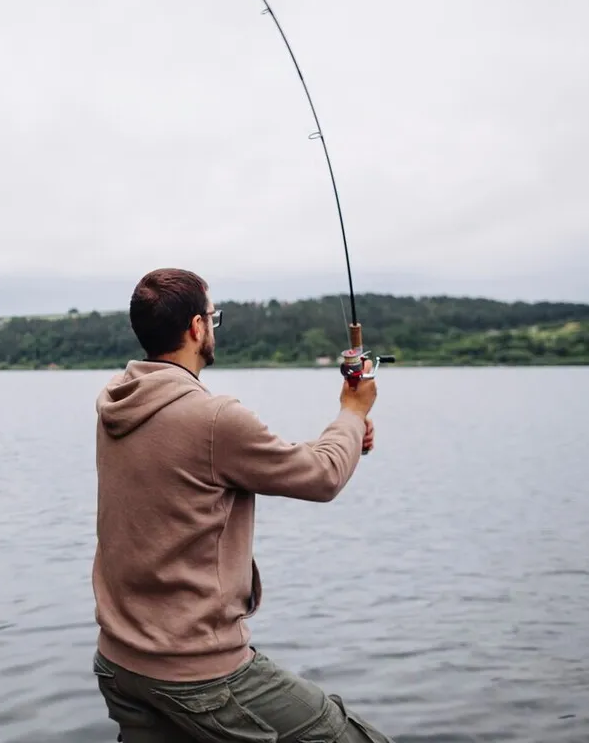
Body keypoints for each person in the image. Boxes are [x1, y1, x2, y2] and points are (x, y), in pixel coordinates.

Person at [91, 267, 395, 743]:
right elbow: (321, 477)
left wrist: (347, 435)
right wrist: (353, 412)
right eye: (213, 317)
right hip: (198, 674)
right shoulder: (213, 418)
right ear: (196, 327)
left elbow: (223, 460)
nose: (213, 326)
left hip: (120, 666)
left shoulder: (116, 403)